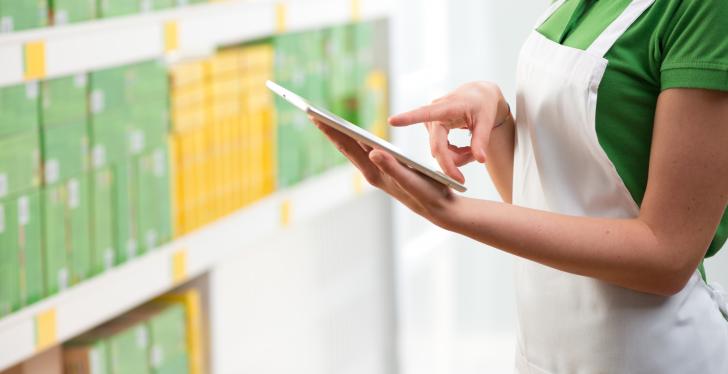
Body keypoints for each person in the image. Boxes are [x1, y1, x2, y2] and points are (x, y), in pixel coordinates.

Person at [311, 0, 728, 372]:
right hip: (542, 351)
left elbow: (666, 255)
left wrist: (451, 212)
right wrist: (494, 118)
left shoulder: (707, 11)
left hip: (653, 356)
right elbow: (546, 201)